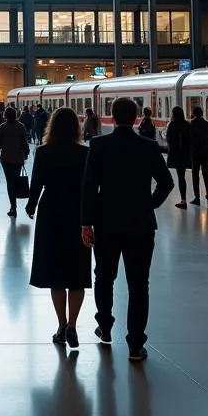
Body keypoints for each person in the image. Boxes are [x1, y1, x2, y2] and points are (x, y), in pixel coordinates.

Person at [81, 97, 173, 361]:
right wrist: (149, 204)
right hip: (140, 225)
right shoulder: (149, 146)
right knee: (138, 284)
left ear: (112, 115)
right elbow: (166, 183)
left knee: (104, 278)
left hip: (106, 224)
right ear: (135, 118)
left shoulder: (98, 145)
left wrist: (86, 222)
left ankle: (105, 327)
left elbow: (89, 187)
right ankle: (135, 344)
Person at [26, 107, 91, 349]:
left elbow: (37, 184)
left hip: (51, 212)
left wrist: (31, 206)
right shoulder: (84, 153)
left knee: (55, 273)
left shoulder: (43, 152)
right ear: (76, 127)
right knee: (77, 273)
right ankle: (73, 325)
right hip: (77, 213)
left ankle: (61, 326)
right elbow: (89, 187)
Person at [0, 106, 30, 217]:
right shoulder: (21, 127)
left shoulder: (3, 127)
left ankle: (13, 206)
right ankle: (15, 203)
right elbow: (24, 142)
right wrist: (26, 152)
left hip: (6, 158)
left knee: (9, 182)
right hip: (18, 158)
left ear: (5, 115)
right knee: (15, 179)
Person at [189, 105, 208, 207]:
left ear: (193, 113)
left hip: (195, 152)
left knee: (195, 175)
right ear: (202, 113)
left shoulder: (191, 124)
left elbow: (189, 139)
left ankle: (197, 198)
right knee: (206, 175)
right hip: (206, 152)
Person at [165, 106, 192, 209]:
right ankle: (184, 199)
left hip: (176, 155)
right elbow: (190, 140)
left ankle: (183, 200)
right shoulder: (187, 125)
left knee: (180, 176)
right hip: (185, 154)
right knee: (182, 177)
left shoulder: (171, 125)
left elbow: (169, 140)